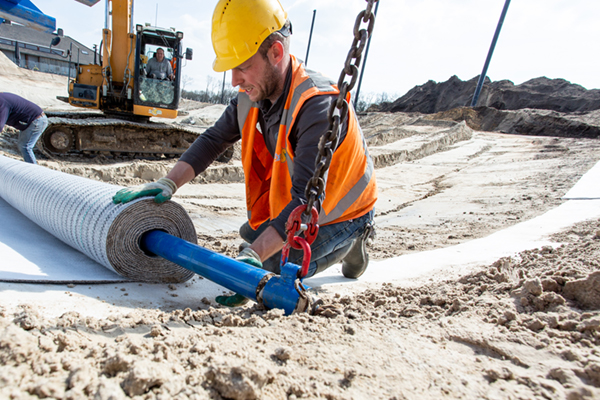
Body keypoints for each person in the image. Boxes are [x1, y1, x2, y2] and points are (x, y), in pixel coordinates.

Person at [113, 0, 377, 306]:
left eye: (242, 66)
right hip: (302, 202)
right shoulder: (251, 95)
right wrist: (168, 182)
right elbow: (213, 140)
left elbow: (305, 202)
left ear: (276, 53)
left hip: (341, 211)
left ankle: (355, 239)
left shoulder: (318, 105)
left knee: (268, 267)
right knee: (252, 235)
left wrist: (256, 256)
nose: (235, 79)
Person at [0, 92, 48, 164]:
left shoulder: (1, 102)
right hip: (32, 120)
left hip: (36, 120)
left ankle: (34, 171)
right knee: (23, 145)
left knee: (25, 147)